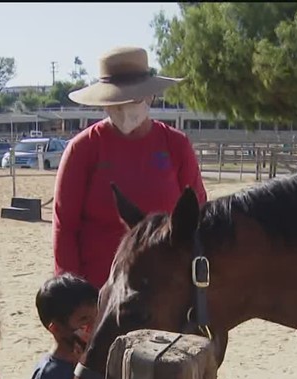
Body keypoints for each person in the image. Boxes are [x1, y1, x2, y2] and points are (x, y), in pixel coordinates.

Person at [53, 46, 208, 289]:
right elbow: (65, 228)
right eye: (115, 102)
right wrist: (71, 293)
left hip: (166, 290)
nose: (124, 108)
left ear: (150, 97)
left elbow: (198, 216)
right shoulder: (83, 149)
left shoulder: (176, 145)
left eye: (132, 99)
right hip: (100, 290)